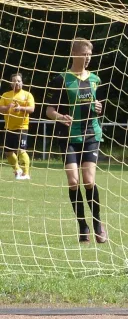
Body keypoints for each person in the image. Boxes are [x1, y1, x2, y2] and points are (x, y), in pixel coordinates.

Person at [45, 38, 107, 243]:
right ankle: (82, 225)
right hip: (69, 136)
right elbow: (49, 110)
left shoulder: (95, 79)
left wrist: (99, 108)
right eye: (84, 53)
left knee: (89, 181)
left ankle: (98, 223)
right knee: (73, 182)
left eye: (90, 54)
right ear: (74, 54)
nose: (87, 57)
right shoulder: (61, 79)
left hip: (91, 135)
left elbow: (97, 106)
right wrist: (61, 117)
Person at [0, 73, 35, 180]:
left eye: (19, 81)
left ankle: (26, 173)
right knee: (8, 152)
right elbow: (1, 108)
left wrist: (21, 108)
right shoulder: (5, 95)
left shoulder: (27, 95)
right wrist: (7, 107)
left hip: (22, 127)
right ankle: (17, 170)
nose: (17, 83)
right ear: (11, 83)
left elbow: (31, 109)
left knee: (21, 150)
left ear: (22, 83)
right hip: (9, 128)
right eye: (14, 81)